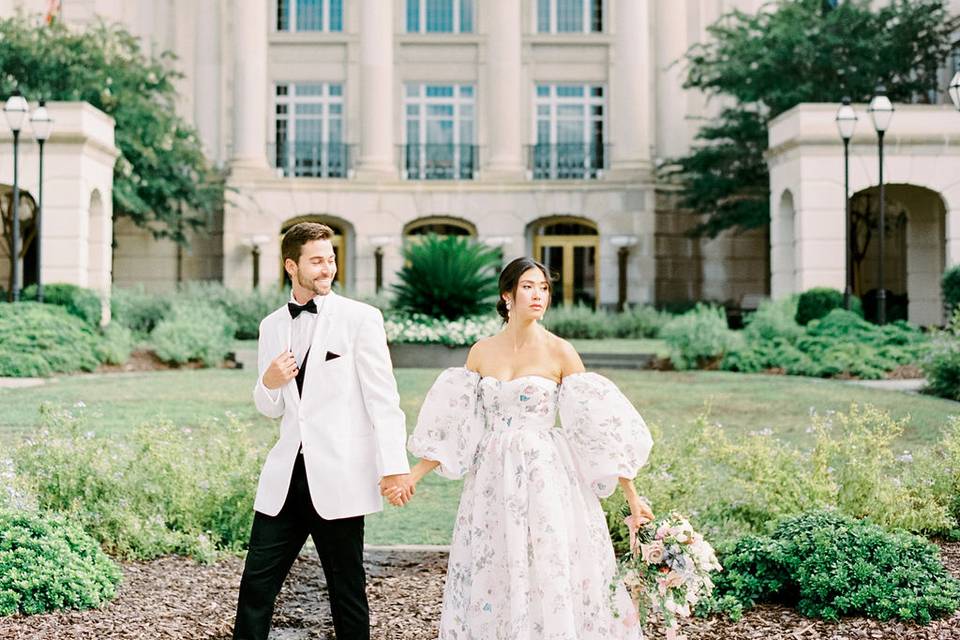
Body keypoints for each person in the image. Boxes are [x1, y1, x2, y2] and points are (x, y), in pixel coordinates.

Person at [397, 256, 655, 639]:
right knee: (497, 560)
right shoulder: (481, 352)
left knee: (547, 559)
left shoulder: (560, 351)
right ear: (507, 295)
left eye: (544, 288)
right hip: (492, 476)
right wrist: (413, 476)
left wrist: (631, 495)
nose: (538, 295)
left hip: (545, 471)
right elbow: (457, 426)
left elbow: (596, 425)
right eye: (528, 287)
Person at [233, 222, 413, 640]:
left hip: (339, 475)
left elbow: (383, 400)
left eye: (330, 259)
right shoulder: (271, 325)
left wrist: (394, 467)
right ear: (291, 265)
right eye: (316, 261)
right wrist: (270, 381)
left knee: (346, 590)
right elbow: (269, 407)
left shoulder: (360, 319)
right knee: (256, 586)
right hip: (286, 478)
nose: (327, 268)